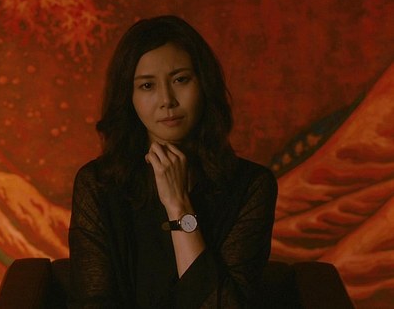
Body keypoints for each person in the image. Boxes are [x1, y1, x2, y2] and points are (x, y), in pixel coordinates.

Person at [69, 15, 277, 308]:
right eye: (147, 86)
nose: (167, 100)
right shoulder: (97, 184)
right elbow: (94, 302)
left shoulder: (251, 185)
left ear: (203, 84)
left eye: (180, 80)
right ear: (128, 96)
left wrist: (179, 207)